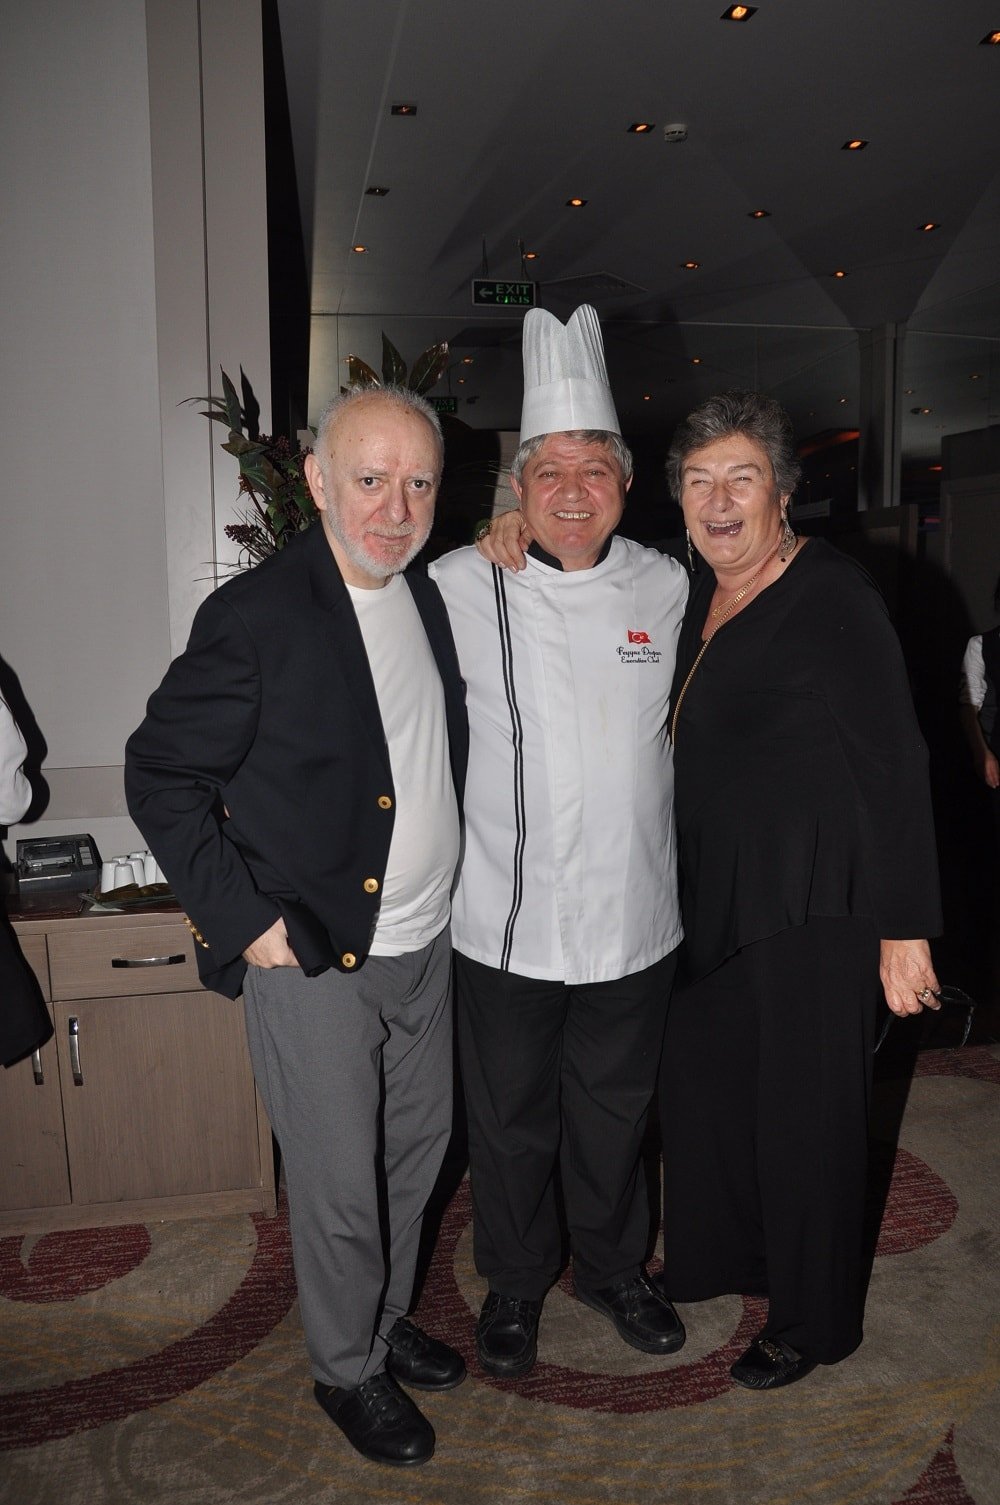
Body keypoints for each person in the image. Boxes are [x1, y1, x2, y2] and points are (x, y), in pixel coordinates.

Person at [125, 386, 469, 1468]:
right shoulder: (257, 615)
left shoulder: (429, 596)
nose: (396, 508)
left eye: (418, 482)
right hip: (317, 953)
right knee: (339, 1183)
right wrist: (245, 921)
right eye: (370, 479)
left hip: (427, 943)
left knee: (415, 1154)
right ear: (317, 480)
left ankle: (381, 1318)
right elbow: (159, 772)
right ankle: (344, 1366)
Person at [658, 391, 942, 1389]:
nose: (719, 499)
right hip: (714, 897)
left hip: (817, 900)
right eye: (700, 480)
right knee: (709, 1091)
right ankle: (730, 1255)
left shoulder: (830, 593)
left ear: (781, 493)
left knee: (805, 1119)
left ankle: (814, 1320)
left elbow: (894, 762)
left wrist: (904, 927)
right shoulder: (693, 596)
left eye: (741, 478)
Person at [431, 305, 689, 1379]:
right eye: (550, 470)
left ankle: (616, 1267)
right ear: (517, 486)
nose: (573, 490)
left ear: (624, 482)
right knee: (508, 1120)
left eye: (594, 468)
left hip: (635, 912)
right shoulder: (455, 585)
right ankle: (515, 1277)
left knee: (617, 1111)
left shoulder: (670, 586)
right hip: (504, 918)